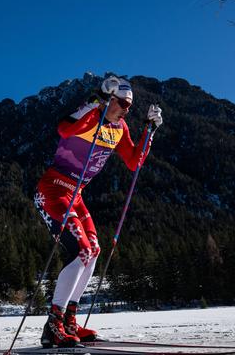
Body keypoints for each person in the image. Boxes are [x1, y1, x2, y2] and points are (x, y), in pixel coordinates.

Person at [33, 75, 163, 347]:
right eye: (122, 104)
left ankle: (70, 320)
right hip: (53, 190)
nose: (126, 110)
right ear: (110, 98)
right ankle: (52, 326)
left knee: (93, 249)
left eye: (130, 106)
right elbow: (64, 130)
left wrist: (149, 131)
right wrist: (96, 106)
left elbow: (133, 162)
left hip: (76, 195)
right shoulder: (92, 114)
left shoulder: (120, 128)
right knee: (80, 249)